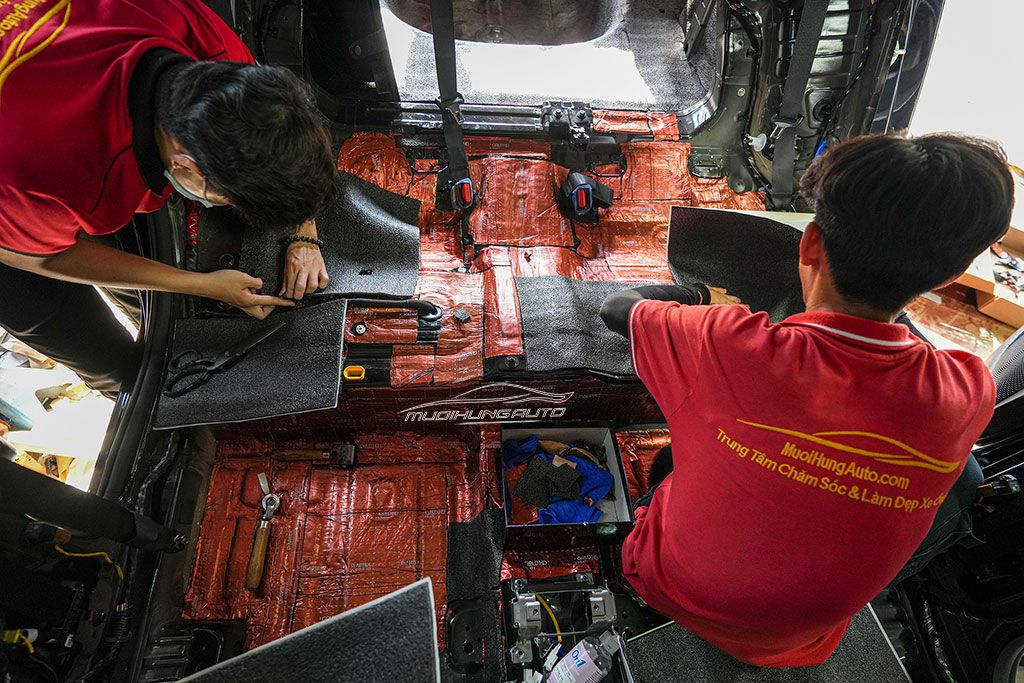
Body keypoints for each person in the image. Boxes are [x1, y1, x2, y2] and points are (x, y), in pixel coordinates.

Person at [600, 133, 1013, 667]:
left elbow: (617, 307)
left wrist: (701, 298)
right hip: (797, 641)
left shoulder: (727, 342)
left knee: (673, 456)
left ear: (810, 244)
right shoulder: (968, 390)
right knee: (967, 476)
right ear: (951, 276)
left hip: (664, 585)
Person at [0, 0, 337, 396]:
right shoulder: (47, 170)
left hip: (38, 55)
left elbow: (284, 135)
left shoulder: (203, 45)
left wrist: (304, 232)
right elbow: (40, 258)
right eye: (225, 198)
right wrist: (200, 285)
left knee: (146, 291)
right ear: (187, 167)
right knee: (111, 361)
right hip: (13, 230)